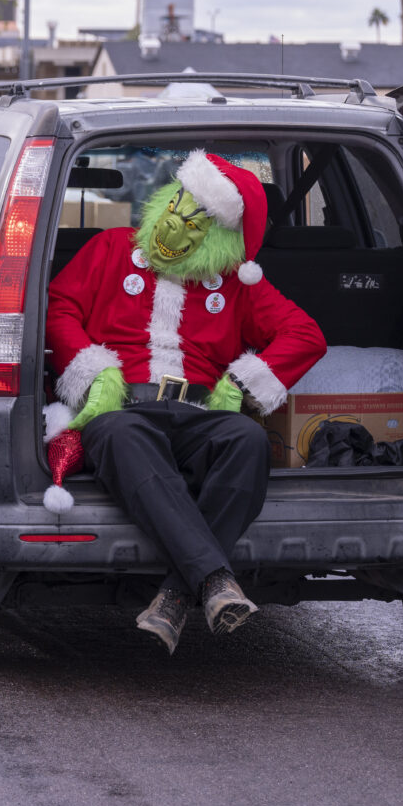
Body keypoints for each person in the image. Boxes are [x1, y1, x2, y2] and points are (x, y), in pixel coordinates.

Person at [46, 151, 327, 652]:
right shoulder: (111, 247)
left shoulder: (235, 282)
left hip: (199, 415)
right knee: (120, 434)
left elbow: (305, 335)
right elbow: (59, 304)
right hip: (125, 408)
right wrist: (94, 369)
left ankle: (177, 595)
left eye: (199, 217)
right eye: (180, 203)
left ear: (223, 238)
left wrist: (240, 384)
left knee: (247, 440)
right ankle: (212, 582)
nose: (178, 222)